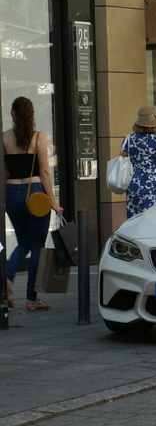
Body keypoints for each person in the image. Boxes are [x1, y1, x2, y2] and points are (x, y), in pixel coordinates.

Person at [3, 97, 63, 310]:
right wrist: (54, 203)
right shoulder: (39, 137)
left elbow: (4, 173)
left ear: (12, 114)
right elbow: (44, 171)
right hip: (36, 193)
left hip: (12, 192)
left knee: (23, 243)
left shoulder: (4, 138)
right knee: (37, 246)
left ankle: (7, 280)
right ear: (33, 115)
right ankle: (31, 298)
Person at [122, 105, 156, 218]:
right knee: (150, 219)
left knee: (134, 219)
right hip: (152, 186)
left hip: (133, 184)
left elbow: (121, 161)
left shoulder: (129, 139)